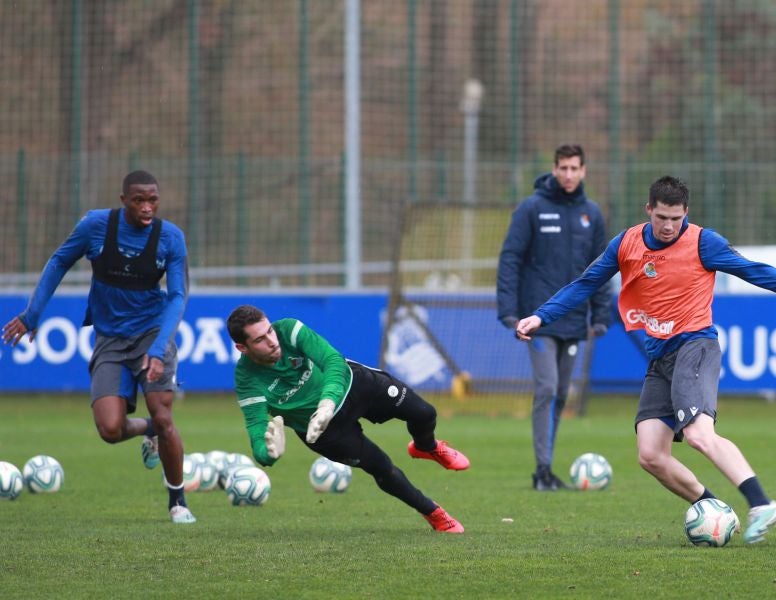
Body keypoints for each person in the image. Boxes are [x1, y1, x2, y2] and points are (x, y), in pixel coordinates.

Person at [516, 175, 776, 543]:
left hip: (696, 347)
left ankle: (760, 503)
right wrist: (541, 315)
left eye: (676, 217)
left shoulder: (704, 242)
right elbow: (585, 284)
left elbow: (754, 270)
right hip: (661, 358)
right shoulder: (626, 243)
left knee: (700, 434)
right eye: (661, 218)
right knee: (651, 454)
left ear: (686, 212)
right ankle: (715, 510)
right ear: (648, 211)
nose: (669, 226)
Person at [1, 170, 195, 524]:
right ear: (123, 201)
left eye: (153, 199)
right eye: (139, 200)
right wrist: (33, 313)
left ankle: (178, 501)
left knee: (165, 414)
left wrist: (159, 345)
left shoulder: (170, 238)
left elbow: (179, 294)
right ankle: (148, 430)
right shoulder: (96, 226)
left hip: (153, 334)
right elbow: (60, 260)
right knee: (110, 429)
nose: (148, 207)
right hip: (110, 339)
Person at [225, 304, 469, 533]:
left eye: (269, 331)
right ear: (242, 348)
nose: (271, 341)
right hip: (324, 433)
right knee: (381, 467)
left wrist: (327, 403)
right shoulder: (247, 379)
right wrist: (268, 454)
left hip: (354, 385)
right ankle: (434, 513)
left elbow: (333, 360)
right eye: (259, 339)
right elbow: (256, 431)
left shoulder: (288, 330)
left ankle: (426, 447)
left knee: (425, 413)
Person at [497, 143, 613, 491]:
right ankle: (542, 470)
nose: (568, 174)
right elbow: (510, 259)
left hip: (576, 321)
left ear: (584, 171)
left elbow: (603, 268)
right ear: (554, 168)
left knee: (562, 393)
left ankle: (546, 468)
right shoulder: (532, 208)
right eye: (562, 168)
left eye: (574, 168)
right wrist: (509, 312)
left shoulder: (591, 214)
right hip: (538, 320)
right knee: (547, 387)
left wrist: (601, 314)